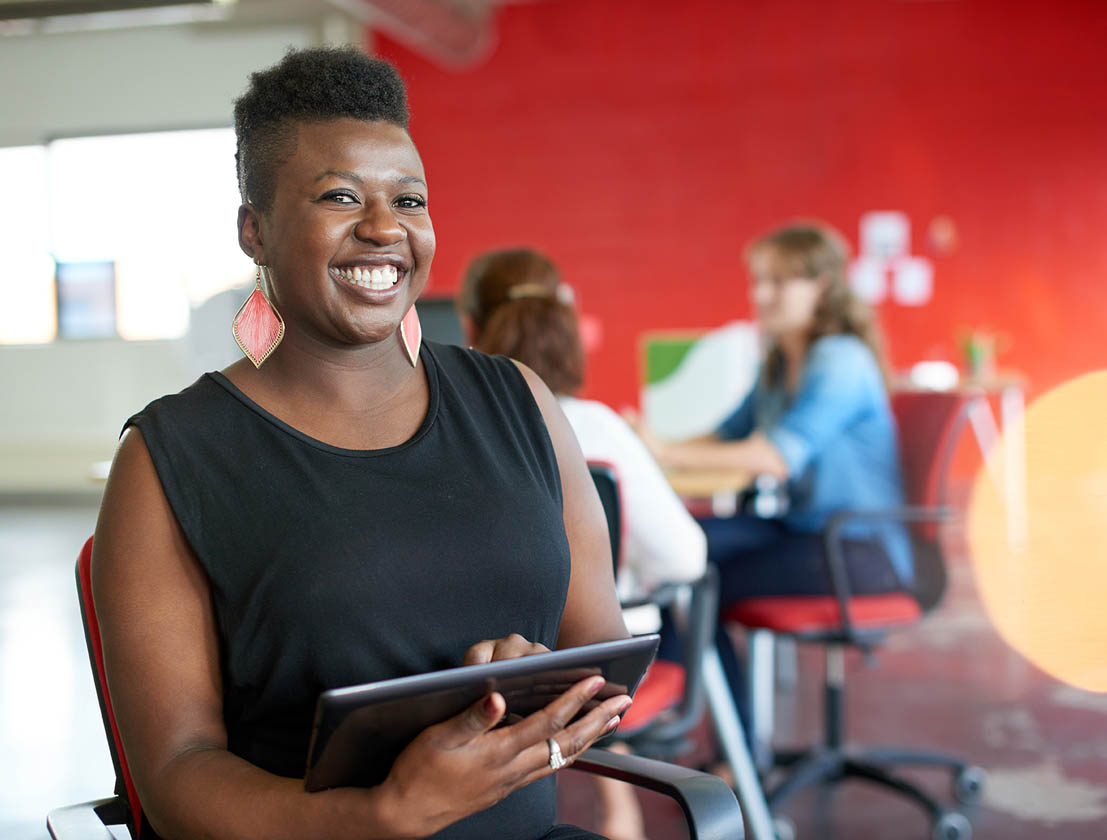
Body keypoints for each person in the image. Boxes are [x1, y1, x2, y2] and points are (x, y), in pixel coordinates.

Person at [92, 47, 632, 840]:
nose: (384, 229)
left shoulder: (518, 399)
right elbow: (175, 775)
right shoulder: (170, 458)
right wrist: (382, 814)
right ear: (256, 231)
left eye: (407, 200)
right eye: (339, 197)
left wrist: (528, 681)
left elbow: (601, 653)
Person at [457, 248, 707, 840]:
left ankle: (612, 789)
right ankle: (648, 786)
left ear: (469, 327)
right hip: (598, 665)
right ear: (565, 322)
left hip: (482, 667)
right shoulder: (598, 427)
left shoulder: (458, 436)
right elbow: (685, 558)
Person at [637, 221, 911, 711]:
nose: (761, 294)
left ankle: (726, 750)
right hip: (803, 530)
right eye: (758, 280)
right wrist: (646, 444)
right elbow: (725, 435)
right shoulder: (780, 362)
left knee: (693, 584)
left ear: (821, 287)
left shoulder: (839, 360)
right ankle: (683, 726)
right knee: (673, 549)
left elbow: (775, 456)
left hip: (857, 549)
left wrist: (663, 452)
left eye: (779, 282)